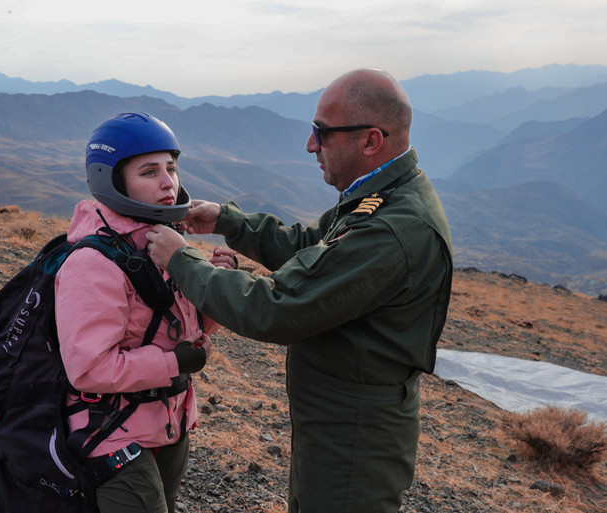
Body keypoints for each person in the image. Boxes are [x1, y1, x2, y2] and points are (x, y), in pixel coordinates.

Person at [145, 69, 454, 513]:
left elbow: (276, 309)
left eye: (322, 133)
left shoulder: (391, 229)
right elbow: (313, 248)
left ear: (370, 141)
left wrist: (181, 259)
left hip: (354, 435)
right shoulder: (382, 195)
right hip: (339, 420)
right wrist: (229, 221)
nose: (311, 145)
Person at [54, 112, 236, 513]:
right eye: (149, 172)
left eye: (171, 168)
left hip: (168, 423)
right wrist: (174, 363)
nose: (168, 182)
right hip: (109, 432)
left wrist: (215, 283)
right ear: (113, 180)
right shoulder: (93, 263)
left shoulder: (165, 243)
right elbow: (88, 369)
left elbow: (189, 328)